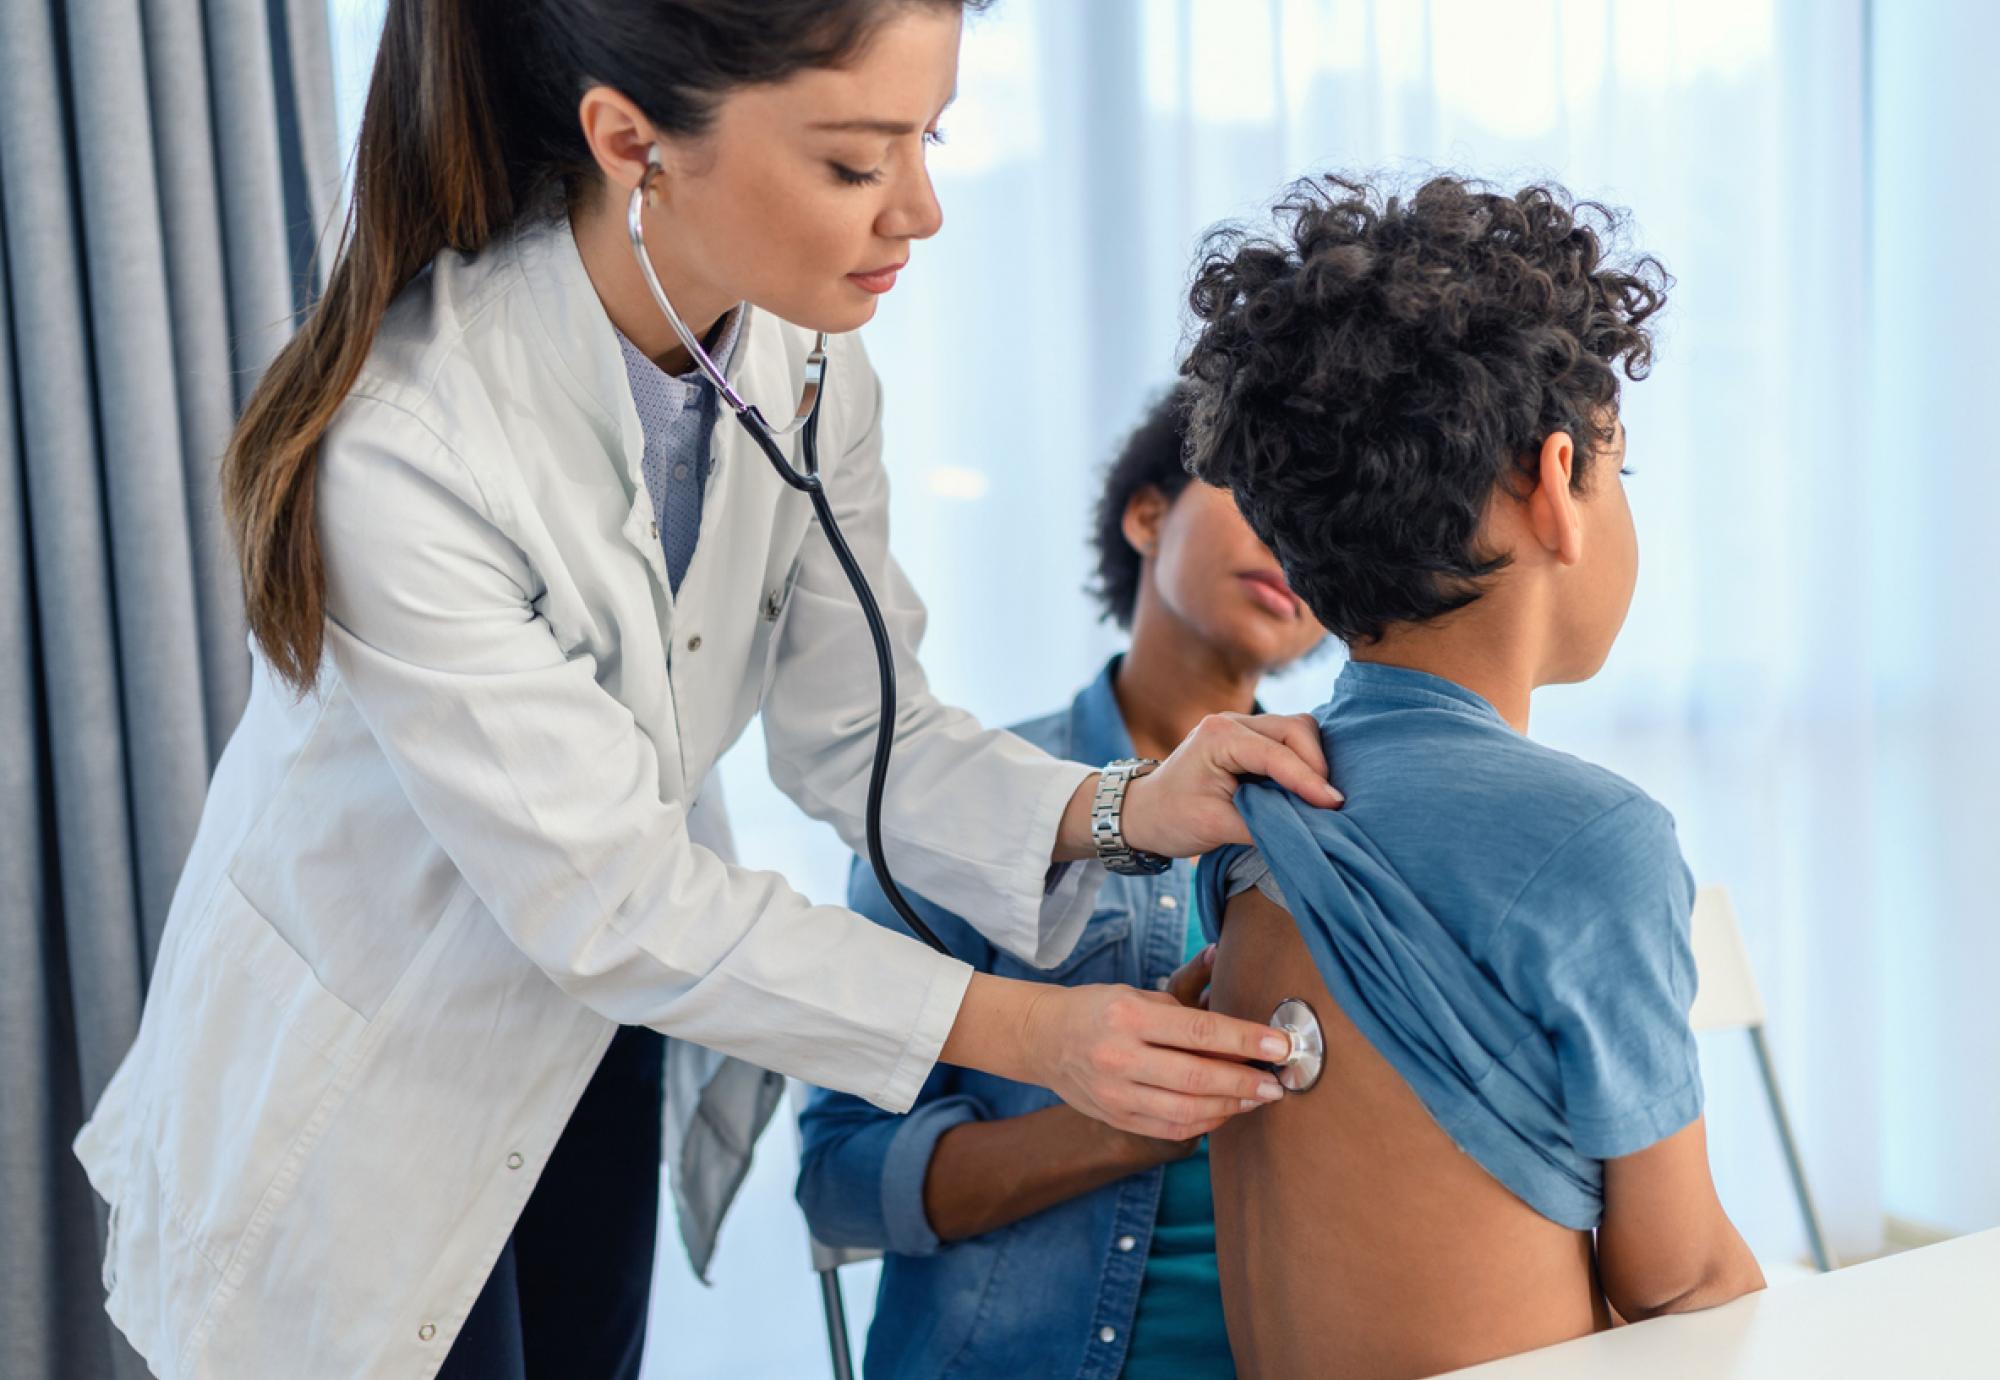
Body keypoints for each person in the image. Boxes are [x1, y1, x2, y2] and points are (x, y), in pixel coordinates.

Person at [68, 5, 1342, 1377]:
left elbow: (865, 737)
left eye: (932, 138)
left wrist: (1130, 806)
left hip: (591, 1043)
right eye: (858, 163)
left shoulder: (802, 359)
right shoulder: (409, 447)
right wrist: (1042, 1036)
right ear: (632, 143)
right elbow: (613, 897)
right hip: (371, 1078)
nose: (920, 210)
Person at [1179, 174, 1766, 1379]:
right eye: (1618, 473)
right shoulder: (1589, 837)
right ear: (1556, 485)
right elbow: (1675, 1275)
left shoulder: (1260, 812)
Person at [797, 387, 1326, 1379]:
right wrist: (1114, 1127)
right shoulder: (954, 800)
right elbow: (838, 1180)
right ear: (1146, 513)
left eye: (1323, 527)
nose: (1291, 545)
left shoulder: (1356, 827)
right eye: (1259, 494)